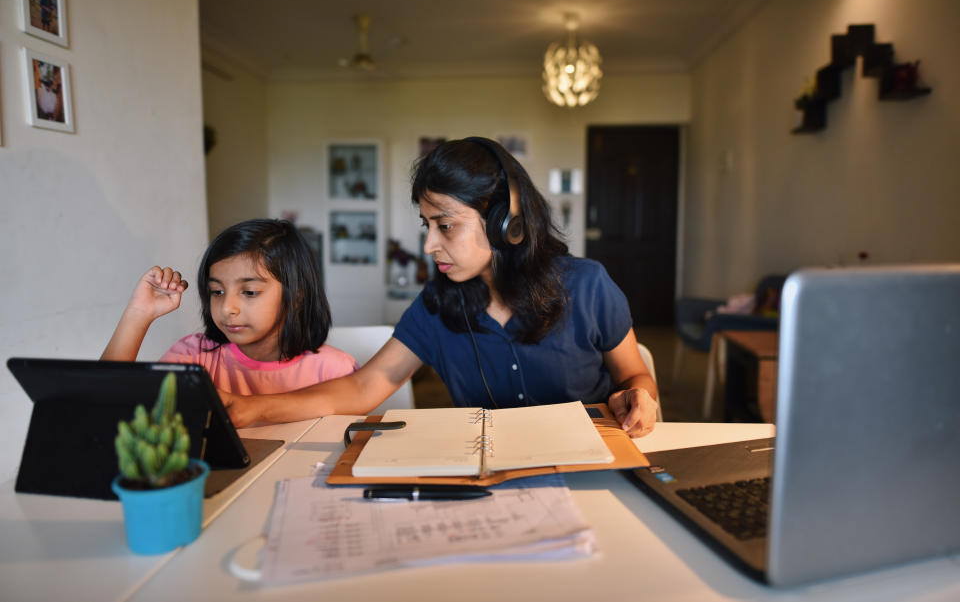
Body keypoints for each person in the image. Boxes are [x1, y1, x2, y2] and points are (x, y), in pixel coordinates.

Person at [219, 138, 659, 436]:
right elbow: (363, 387)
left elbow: (634, 375)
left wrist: (639, 397)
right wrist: (248, 408)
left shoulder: (587, 286)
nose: (430, 244)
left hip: (593, 471)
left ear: (506, 222)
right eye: (426, 225)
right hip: (492, 481)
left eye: (445, 225)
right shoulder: (435, 305)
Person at [101, 219, 356, 395]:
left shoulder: (334, 370)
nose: (227, 308)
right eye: (217, 292)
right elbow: (103, 399)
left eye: (249, 292)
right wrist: (138, 314)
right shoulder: (194, 356)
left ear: (297, 296)